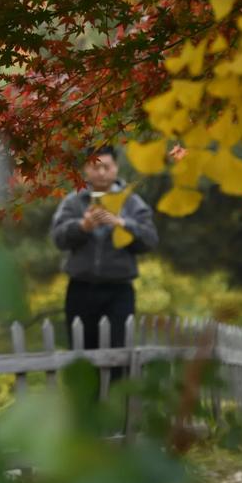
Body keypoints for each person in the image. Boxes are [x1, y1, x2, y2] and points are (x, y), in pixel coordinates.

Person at [51, 145, 158, 350]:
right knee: (81, 355)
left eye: (106, 167)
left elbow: (150, 239)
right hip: (80, 288)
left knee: (118, 352)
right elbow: (58, 238)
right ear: (86, 169)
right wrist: (81, 227)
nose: (101, 173)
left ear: (116, 167)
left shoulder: (132, 202)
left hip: (119, 290)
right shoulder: (74, 201)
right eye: (95, 167)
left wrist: (121, 223)